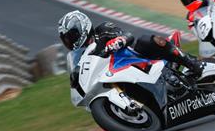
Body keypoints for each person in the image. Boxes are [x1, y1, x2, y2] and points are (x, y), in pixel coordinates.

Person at [58, 10, 202, 89]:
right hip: (116, 76)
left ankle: (191, 62)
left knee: (145, 41)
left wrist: (117, 42)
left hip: (138, 59)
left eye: (71, 36)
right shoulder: (83, 57)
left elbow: (126, 35)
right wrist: (74, 77)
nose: (70, 42)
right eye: (66, 40)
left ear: (82, 28)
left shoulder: (102, 30)